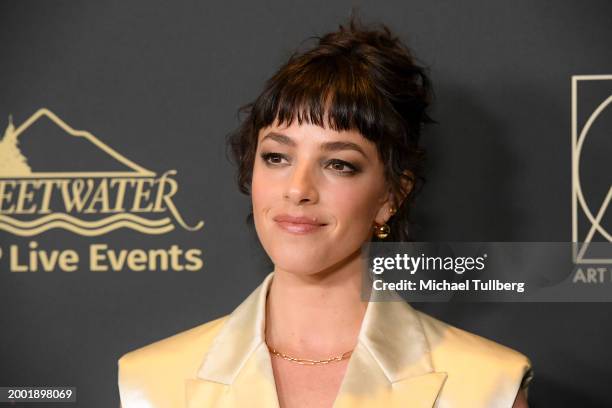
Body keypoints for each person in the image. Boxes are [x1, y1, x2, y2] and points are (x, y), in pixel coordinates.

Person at [118, 16, 533, 408]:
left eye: (339, 164)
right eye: (277, 157)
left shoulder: (484, 388)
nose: (298, 189)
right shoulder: (152, 384)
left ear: (391, 196)